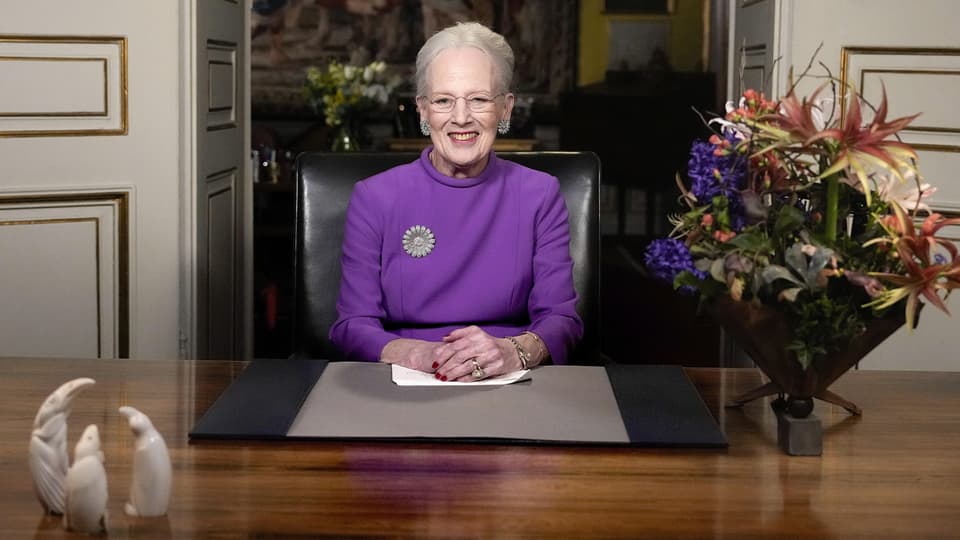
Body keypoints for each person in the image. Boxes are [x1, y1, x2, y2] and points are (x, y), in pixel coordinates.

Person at [329, 21, 582, 381]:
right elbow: (352, 325)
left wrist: (514, 351)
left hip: (509, 382)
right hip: (403, 380)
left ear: (505, 109)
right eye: (444, 100)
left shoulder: (540, 194)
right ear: (422, 110)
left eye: (478, 99)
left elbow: (562, 320)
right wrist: (421, 354)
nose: (461, 118)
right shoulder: (374, 197)